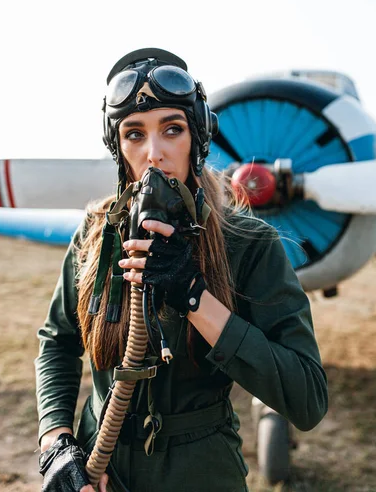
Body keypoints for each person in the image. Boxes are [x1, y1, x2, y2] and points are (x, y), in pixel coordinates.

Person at [35, 48, 328, 492]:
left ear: (198, 139)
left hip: (201, 472)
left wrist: (194, 298)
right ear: (118, 148)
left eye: (172, 129)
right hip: (101, 471)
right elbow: (57, 343)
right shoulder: (95, 235)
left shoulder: (248, 244)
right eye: (134, 134)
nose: (154, 153)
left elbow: (307, 399)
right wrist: (56, 441)